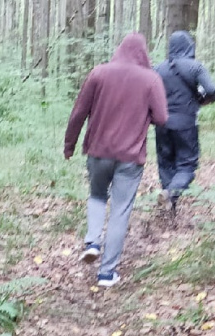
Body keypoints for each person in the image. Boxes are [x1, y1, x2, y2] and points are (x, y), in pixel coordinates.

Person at [64, 33, 168, 287]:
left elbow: (78, 112)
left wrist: (69, 144)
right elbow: (163, 118)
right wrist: (143, 116)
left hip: (98, 152)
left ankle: (92, 242)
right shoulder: (151, 79)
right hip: (130, 157)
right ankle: (107, 273)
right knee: (120, 211)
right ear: (143, 53)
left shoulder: (98, 73)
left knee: (97, 195)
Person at [154, 30, 215, 211]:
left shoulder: (158, 69)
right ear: (189, 46)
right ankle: (171, 193)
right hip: (185, 124)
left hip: (162, 124)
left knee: (166, 163)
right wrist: (200, 100)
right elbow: (211, 91)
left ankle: (168, 205)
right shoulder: (195, 67)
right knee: (187, 165)